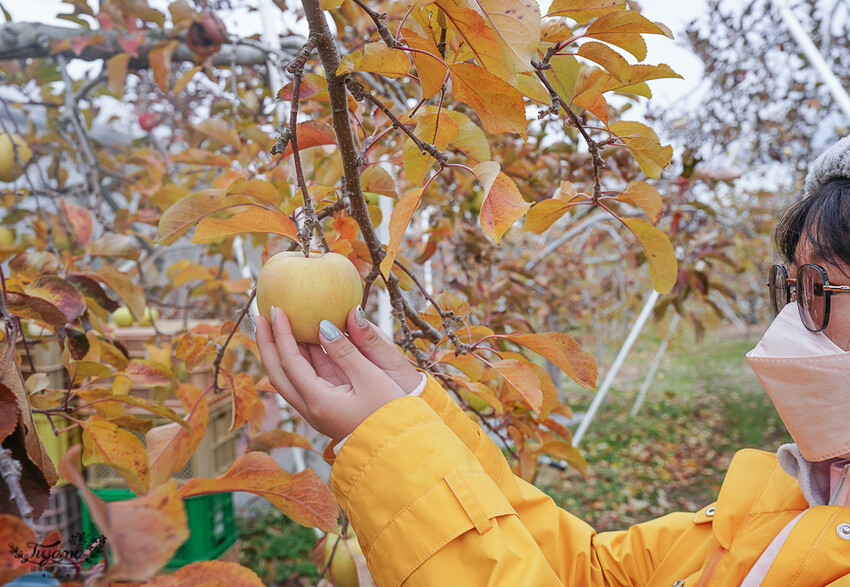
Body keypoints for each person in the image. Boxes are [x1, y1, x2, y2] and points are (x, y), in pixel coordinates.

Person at [255, 135, 850, 586]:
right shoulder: (799, 499)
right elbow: (588, 570)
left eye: (818, 286)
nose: (793, 320)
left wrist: (390, 446)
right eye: (790, 287)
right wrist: (414, 410)